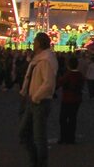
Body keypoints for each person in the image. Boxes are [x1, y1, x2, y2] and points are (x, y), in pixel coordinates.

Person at [19, 32, 58, 167]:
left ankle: (39, 162)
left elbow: (48, 83)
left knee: (39, 137)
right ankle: (35, 159)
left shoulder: (46, 60)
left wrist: (36, 96)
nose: (33, 43)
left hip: (40, 101)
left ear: (40, 43)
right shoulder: (38, 59)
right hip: (32, 100)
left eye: (35, 41)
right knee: (25, 132)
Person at [57, 56, 85, 144]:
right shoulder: (80, 75)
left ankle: (63, 137)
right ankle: (71, 138)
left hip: (67, 99)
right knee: (73, 118)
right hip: (77, 99)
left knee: (63, 119)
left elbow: (60, 83)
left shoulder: (68, 75)